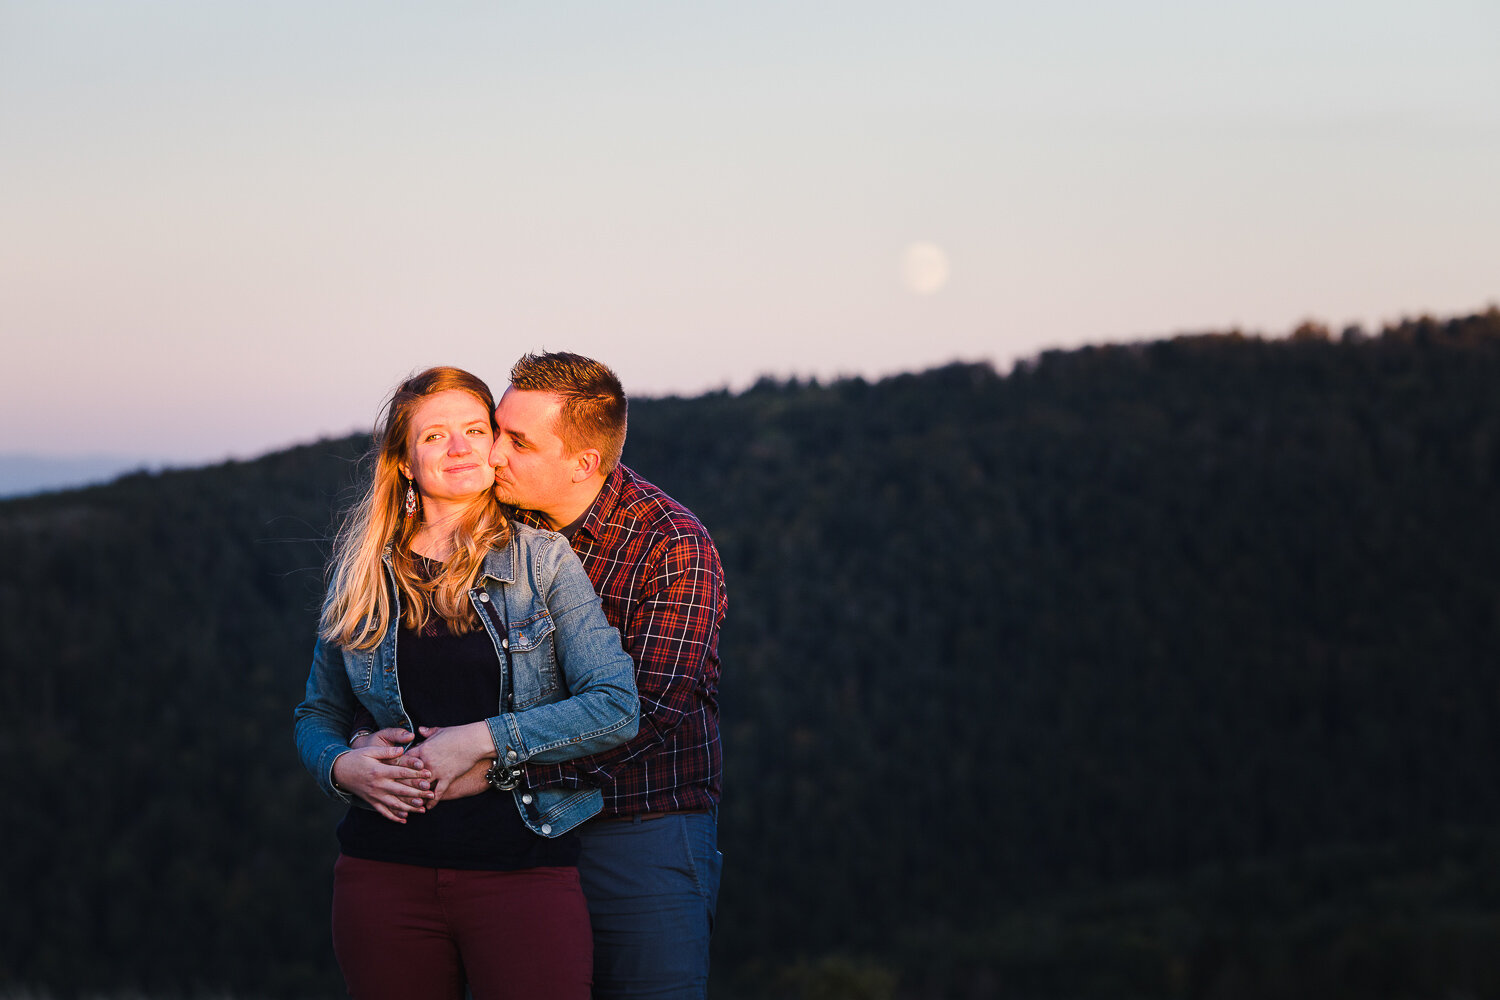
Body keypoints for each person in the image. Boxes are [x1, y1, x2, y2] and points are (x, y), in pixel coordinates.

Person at [293, 366, 640, 1000]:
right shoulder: (364, 574)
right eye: (434, 436)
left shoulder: (542, 559)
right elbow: (316, 715)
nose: (458, 448)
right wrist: (343, 767)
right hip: (383, 874)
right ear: (404, 462)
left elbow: (615, 708)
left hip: (521, 868)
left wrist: (482, 739)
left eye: (474, 430)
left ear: (494, 443)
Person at [486, 351, 727, 1000]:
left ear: (583, 463)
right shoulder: (494, 526)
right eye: (495, 430)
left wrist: (487, 765)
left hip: (638, 824)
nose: (494, 455)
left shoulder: (671, 544)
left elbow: (646, 712)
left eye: (519, 441)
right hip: (515, 824)